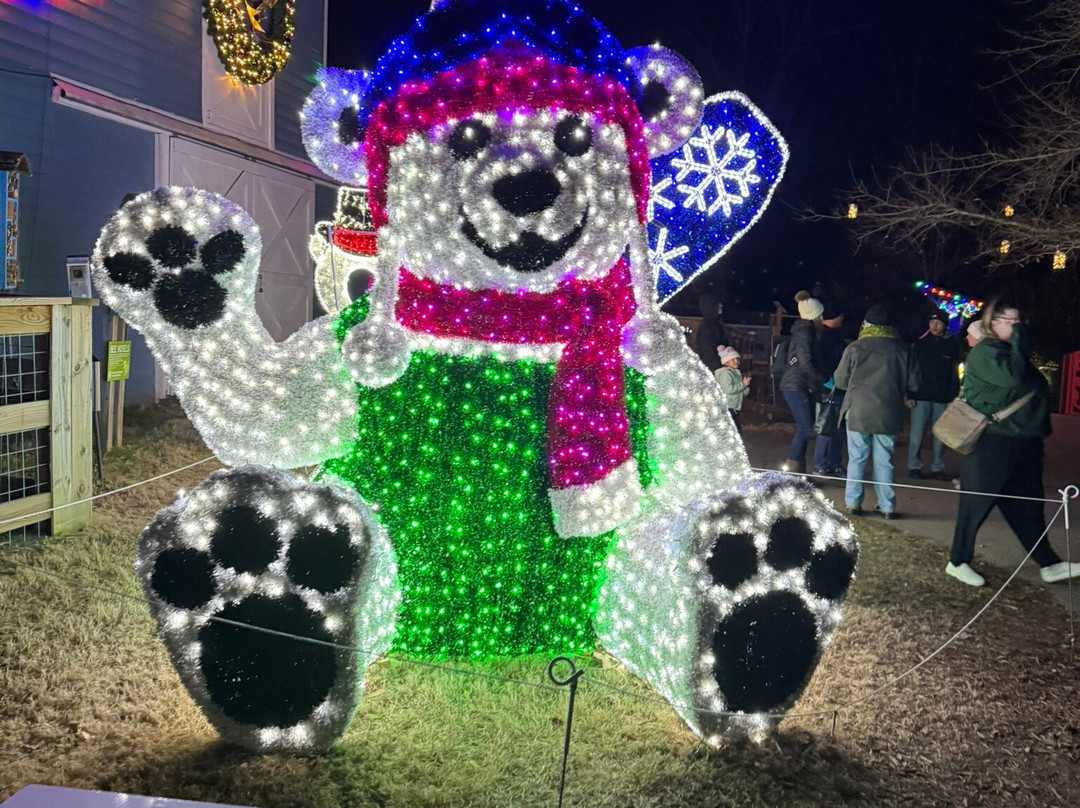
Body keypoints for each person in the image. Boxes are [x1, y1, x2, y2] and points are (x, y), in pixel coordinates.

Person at [946, 301, 1080, 586]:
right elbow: (1013, 378)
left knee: (1027, 505)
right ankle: (957, 561)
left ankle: (1049, 563)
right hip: (995, 440)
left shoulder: (1007, 352)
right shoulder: (985, 352)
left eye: (1021, 322)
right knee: (976, 504)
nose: (1020, 327)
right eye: (1012, 321)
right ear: (993, 324)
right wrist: (1020, 340)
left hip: (1023, 441)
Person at [833, 304, 918, 519]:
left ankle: (853, 504)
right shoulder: (904, 349)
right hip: (889, 411)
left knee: (857, 458)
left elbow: (840, 381)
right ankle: (887, 506)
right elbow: (915, 382)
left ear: (865, 325)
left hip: (858, 410)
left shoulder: (855, 347)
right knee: (884, 460)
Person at [906, 311, 960, 480]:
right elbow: (912, 371)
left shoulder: (953, 344)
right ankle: (914, 466)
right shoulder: (920, 344)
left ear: (945, 324)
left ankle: (938, 467)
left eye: (939, 322)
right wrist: (909, 394)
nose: (935, 325)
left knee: (940, 434)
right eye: (932, 322)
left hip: (943, 396)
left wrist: (953, 395)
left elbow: (955, 372)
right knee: (917, 433)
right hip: (921, 394)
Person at [779, 290, 828, 473]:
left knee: (805, 429)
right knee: (805, 428)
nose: (822, 317)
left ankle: (798, 472)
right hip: (796, 385)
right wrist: (823, 378)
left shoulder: (805, 332)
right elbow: (806, 362)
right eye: (820, 314)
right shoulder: (805, 333)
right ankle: (793, 471)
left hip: (799, 385)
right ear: (814, 315)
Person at [812, 307, 848, 476]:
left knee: (831, 428)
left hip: (831, 386)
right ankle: (824, 463)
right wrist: (826, 379)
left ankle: (827, 463)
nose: (842, 318)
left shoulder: (819, 335)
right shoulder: (828, 337)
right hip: (830, 387)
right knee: (830, 428)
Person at [714, 345, 751, 432]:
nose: (736, 361)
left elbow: (738, 392)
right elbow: (728, 389)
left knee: (734, 430)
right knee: (735, 431)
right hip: (728, 406)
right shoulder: (726, 373)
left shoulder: (735, 373)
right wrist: (743, 385)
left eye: (737, 359)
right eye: (733, 359)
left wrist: (745, 388)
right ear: (726, 361)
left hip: (734, 406)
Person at [695, 291, 725, 372]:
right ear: (711, 306)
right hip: (713, 369)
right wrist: (719, 368)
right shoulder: (708, 326)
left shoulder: (715, 324)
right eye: (718, 304)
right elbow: (707, 351)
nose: (721, 306)